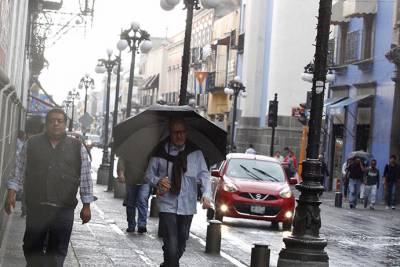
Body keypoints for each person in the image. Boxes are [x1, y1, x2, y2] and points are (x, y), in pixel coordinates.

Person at [4, 108, 93, 267]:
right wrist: (11, 192)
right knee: (31, 247)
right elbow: (18, 169)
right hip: (37, 206)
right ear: (46, 124)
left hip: (63, 209)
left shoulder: (77, 146)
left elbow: (86, 176)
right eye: (52, 121)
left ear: (65, 124)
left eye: (60, 121)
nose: (55, 124)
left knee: (57, 252)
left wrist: (86, 205)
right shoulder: (32, 143)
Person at [145, 118, 211, 267]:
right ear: (170, 133)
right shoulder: (160, 152)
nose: (179, 136)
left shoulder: (195, 153)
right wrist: (158, 181)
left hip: (187, 206)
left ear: (186, 133)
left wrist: (206, 195)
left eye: (182, 132)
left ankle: (167, 263)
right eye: (175, 132)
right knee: (172, 244)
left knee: (181, 243)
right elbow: (148, 175)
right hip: (167, 204)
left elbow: (204, 175)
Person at [117, 157, 150, 233]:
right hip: (130, 179)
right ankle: (131, 225)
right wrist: (121, 174)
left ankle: (142, 224)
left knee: (142, 199)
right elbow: (122, 161)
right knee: (130, 203)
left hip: (145, 180)